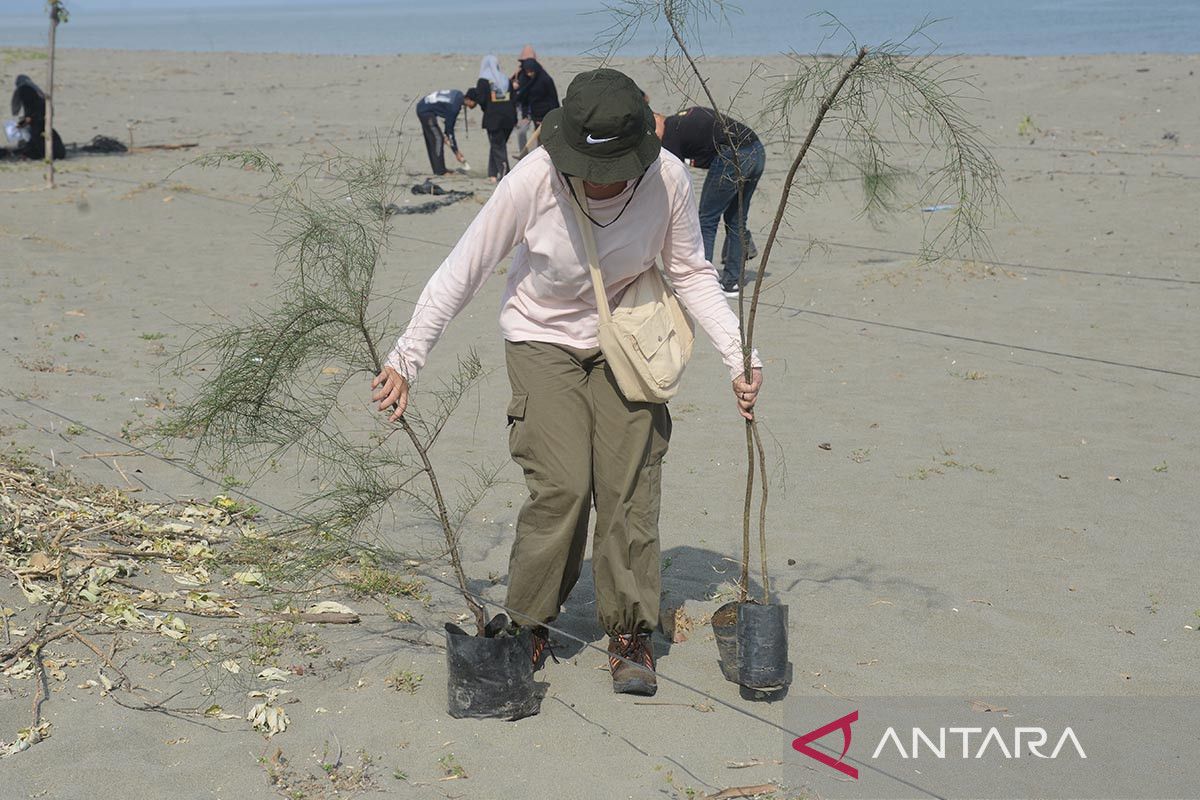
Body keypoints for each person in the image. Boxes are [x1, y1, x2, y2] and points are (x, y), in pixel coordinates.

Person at [371, 69, 763, 698]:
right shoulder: (533, 180)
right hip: (541, 337)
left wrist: (741, 356)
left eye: (616, 169)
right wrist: (404, 359)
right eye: (589, 166)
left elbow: (689, 270)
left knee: (628, 487)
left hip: (629, 341)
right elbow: (462, 270)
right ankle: (529, 624)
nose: (603, 180)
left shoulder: (666, 178)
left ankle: (631, 632)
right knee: (562, 487)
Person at [655, 107, 765, 296]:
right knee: (736, 219)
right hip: (756, 150)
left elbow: (673, 176)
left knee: (706, 219)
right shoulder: (681, 121)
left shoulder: (671, 133)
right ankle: (732, 282)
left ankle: (697, 282)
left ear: (657, 118)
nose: (653, 139)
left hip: (733, 155)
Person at [466, 55, 517, 183]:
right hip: (509, 118)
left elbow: (481, 99)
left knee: (498, 147)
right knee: (497, 145)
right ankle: (492, 175)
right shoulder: (506, 79)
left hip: (493, 119)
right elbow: (515, 98)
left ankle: (506, 175)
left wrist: (487, 107)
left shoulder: (483, 81)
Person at [10, 74, 65, 161]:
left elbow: (30, 113)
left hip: (37, 121)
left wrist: (20, 124)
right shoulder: (35, 90)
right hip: (43, 119)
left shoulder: (24, 90)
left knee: (37, 141)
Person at [415, 88, 466, 176]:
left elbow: (447, 129)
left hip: (424, 105)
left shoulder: (458, 94)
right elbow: (450, 131)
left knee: (434, 138)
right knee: (438, 139)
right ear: (468, 100)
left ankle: (439, 169)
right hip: (425, 111)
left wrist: (446, 136)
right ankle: (440, 171)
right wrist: (456, 152)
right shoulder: (454, 108)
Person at [512, 58, 559, 130]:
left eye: (531, 72)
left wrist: (552, 117)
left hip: (545, 112)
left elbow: (553, 99)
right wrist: (525, 115)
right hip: (533, 112)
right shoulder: (525, 79)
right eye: (527, 72)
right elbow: (523, 98)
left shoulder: (545, 79)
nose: (529, 74)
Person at [511, 44, 537, 153]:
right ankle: (523, 153)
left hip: (536, 107)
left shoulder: (539, 72)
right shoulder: (519, 73)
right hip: (523, 108)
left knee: (538, 134)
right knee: (521, 132)